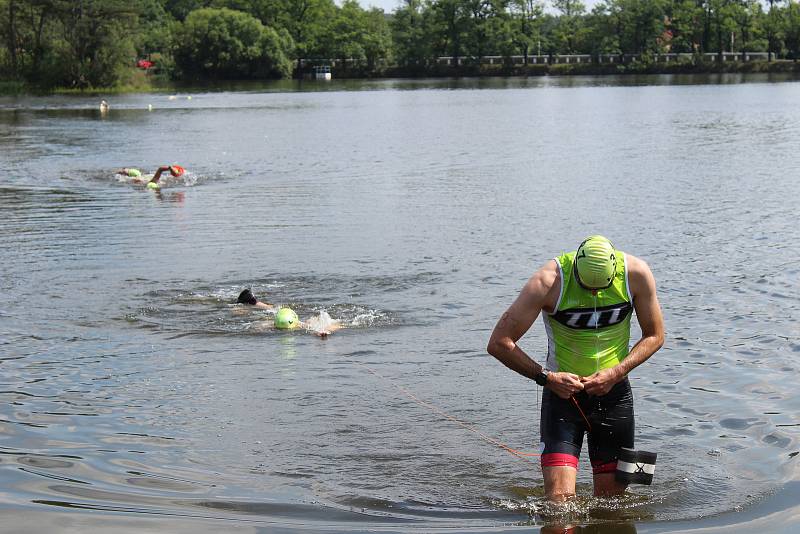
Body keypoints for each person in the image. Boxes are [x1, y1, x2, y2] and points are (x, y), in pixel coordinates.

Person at [486, 235, 664, 502]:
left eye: (599, 289)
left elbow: (656, 335)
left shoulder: (636, 274)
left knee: (612, 507)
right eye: (586, 287)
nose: (593, 295)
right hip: (562, 398)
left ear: (615, 269)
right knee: (559, 505)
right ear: (575, 271)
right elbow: (499, 343)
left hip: (615, 397)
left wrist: (616, 372)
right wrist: (546, 378)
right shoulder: (547, 281)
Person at [236, 288, 343, 337]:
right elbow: (338, 325)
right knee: (272, 310)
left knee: (272, 310)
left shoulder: (303, 324)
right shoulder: (302, 325)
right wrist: (322, 332)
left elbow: (337, 325)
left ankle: (253, 302)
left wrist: (322, 332)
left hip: (284, 317)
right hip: (283, 317)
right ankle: (253, 302)